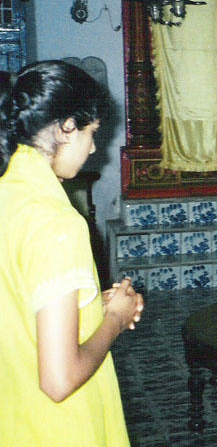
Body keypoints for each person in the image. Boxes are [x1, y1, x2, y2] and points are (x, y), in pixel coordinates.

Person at [0, 61, 143, 445]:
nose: (94, 147)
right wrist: (114, 318)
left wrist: (90, 309)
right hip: (58, 427)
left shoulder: (8, 196)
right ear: (66, 127)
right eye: (91, 132)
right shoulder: (59, 224)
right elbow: (59, 380)